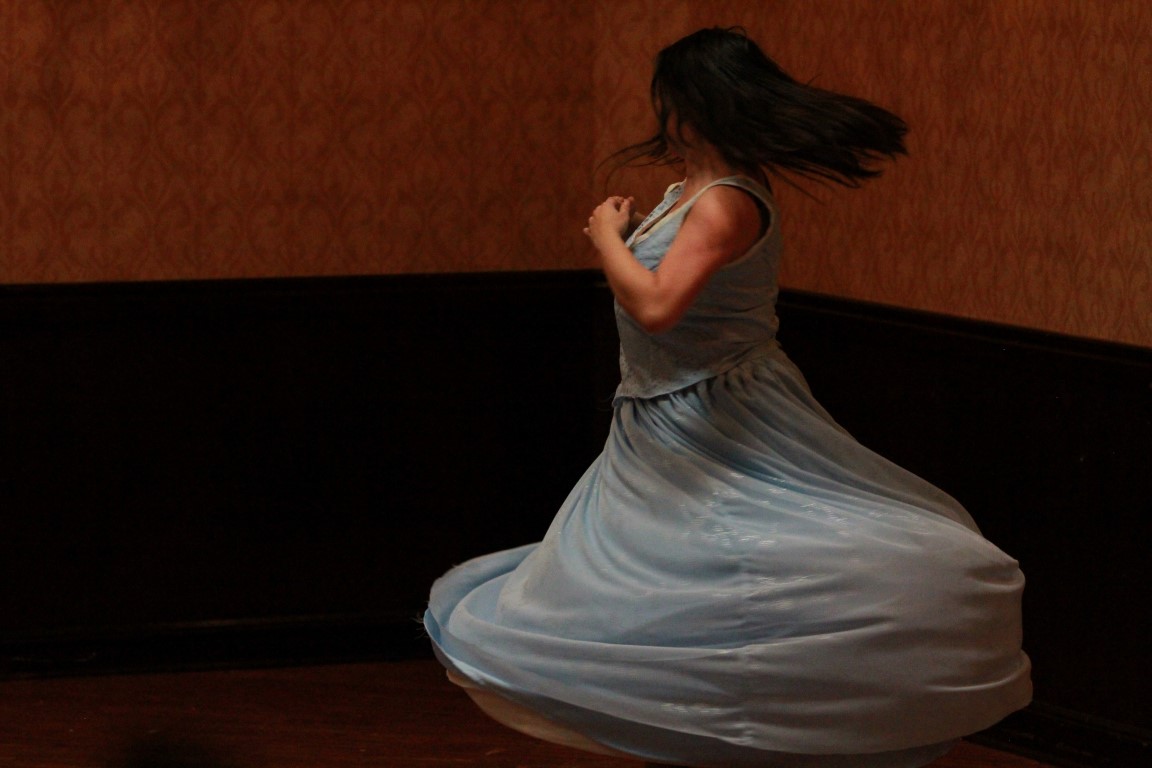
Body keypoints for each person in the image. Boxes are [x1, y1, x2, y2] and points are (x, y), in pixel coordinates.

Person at [425, 27, 1031, 768]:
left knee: (714, 552)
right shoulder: (689, 190)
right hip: (658, 408)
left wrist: (606, 237)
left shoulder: (725, 203)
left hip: (712, 405)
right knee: (653, 563)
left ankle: (754, 714)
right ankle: (696, 712)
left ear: (693, 104)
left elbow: (657, 307)